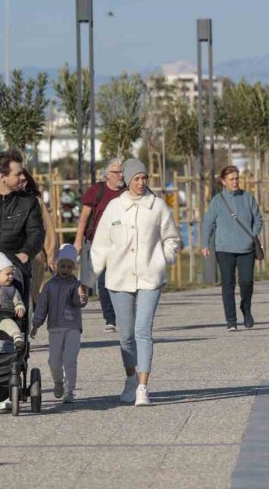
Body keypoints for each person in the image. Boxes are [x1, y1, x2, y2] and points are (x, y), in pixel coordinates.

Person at [90, 158, 180, 407]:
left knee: (143, 330)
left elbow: (172, 238)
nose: (141, 183)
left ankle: (143, 386)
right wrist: (85, 282)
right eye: (136, 179)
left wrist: (164, 258)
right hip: (119, 278)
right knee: (126, 335)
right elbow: (100, 247)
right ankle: (130, 377)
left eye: (144, 178)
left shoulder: (158, 207)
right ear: (127, 181)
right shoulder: (114, 209)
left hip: (151, 276)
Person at [202, 166, 264, 331]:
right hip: (224, 249)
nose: (235, 182)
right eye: (231, 179)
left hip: (247, 248)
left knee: (246, 282)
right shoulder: (217, 201)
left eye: (237, 178)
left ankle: (246, 308)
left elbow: (258, 218)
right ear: (223, 181)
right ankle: (231, 320)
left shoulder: (247, 197)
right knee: (228, 284)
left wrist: (253, 234)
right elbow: (208, 223)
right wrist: (204, 244)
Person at [31, 243, 88, 403]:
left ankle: (69, 389)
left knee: (70, 359)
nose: (65, 269)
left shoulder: (76, 285)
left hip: (73, 327)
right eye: (62, 265)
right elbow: (42, 307)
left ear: (73, 268)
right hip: (55, 327)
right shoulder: (50, 286)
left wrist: (83, 298)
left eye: (69, 266)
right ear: (57, 266)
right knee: (54, 361)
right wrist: (36, 324)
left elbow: (79, 302)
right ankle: (58, 382)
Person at [73, 159, 125, 332]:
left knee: (124, 280)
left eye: (122, 171)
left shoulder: (127, 191)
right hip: (100, 243)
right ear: (107, 175)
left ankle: (124, 315)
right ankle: (110, 319)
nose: (121, 175)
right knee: (103, 282)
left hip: (124, 244)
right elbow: (84, 218)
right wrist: (78, 240)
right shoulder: (97, 190)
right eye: (117, 172)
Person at [19, 168, 58, 297]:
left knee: (34, 294)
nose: (21, 183)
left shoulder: (36, 202)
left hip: (34, 255)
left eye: (24, 180)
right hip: (9, 254)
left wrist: (51, 258)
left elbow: (47, 231)